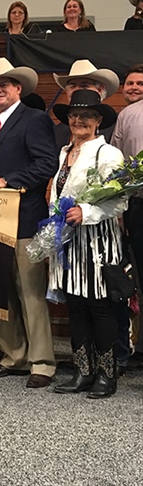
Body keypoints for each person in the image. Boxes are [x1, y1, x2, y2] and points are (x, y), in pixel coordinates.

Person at [0, 57, 58, 388]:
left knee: (30, 292)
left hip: (25, 220)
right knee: (2, 290)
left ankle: (42, 362)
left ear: (18, 88)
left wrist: (6, 180)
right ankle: (14, 356)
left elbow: (46, 163)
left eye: (3, 85)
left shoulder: (34, 119)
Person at [50, 90, 126, 398]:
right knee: (77, 307)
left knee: (100, 307)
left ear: (98, 121)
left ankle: (106, 375)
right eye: (73, 115)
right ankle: (83, 371)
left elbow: (120, 200)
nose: (79, 120)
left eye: (86, 116)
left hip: (98, 242)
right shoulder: (65, 151)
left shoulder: (108, 154)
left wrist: (88, 211)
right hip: (70, 243)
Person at [111, 64, 143, 367]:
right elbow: (119, 168)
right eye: (129, 83)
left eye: (140, 83)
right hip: (134, 206)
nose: (134, 88)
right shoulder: (125, 115)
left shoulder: (128, 115)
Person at [52, 59, 119, 152]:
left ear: (100, 89)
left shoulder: (116, 124)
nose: (77, 91)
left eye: (84, 86)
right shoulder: (59, 130)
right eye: (72, 86)